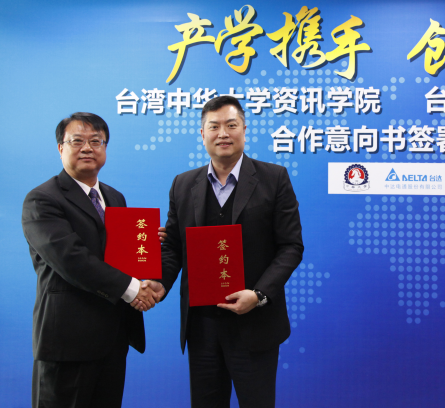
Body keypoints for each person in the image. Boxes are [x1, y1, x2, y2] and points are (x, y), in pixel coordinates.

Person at [160, 95, 304, 408]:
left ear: (244, 129)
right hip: (202, 326)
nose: (223, 133)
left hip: (255, 324)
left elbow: (291, 246)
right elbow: (172, 247)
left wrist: (259, 295)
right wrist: (158, 284)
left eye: (231, 125)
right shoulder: (182, 184)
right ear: (202, 134)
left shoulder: (274, 178)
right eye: (214, 127)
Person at [21, 112, 166, 408]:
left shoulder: (114, 197)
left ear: (105, 148)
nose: (87, 148)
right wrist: (133, 289)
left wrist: (146, 246)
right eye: (77, 141)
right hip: (67, 341)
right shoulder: (43, 199)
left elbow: (116, 254)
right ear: (60, 148)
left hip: (113, 337)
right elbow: (71, 259)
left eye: (96, 141)